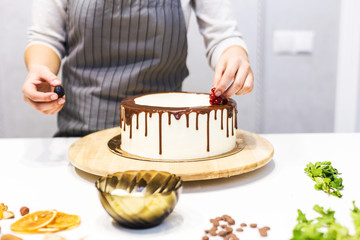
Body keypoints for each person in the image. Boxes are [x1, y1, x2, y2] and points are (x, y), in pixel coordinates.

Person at [22, 0, 254, 137]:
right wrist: (40, 69)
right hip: (82, 131)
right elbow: (46, 38)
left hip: (166, 134)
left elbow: (222, 35)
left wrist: (235, 55)